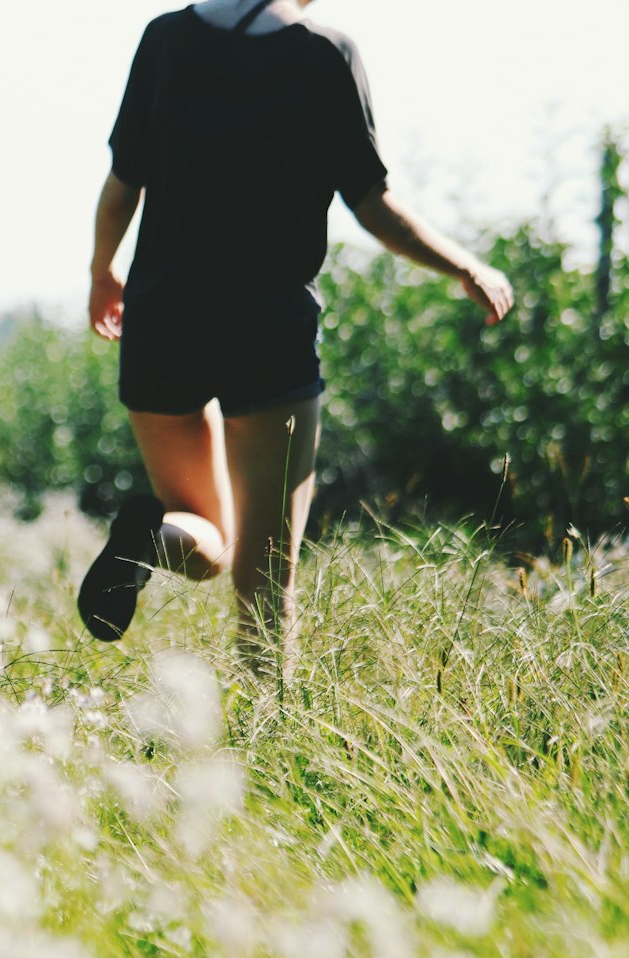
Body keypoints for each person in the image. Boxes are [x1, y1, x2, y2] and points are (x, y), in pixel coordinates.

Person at [77, 0, 514, 670]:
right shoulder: (323, 53)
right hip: (267, 330)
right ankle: (267, 745)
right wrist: (464, 264)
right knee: (263, 578)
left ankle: (152, 539)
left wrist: (103, 272)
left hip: (163, 321)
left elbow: (122, 184)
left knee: (206, 536)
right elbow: (373, 205)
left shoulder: (165, 39)